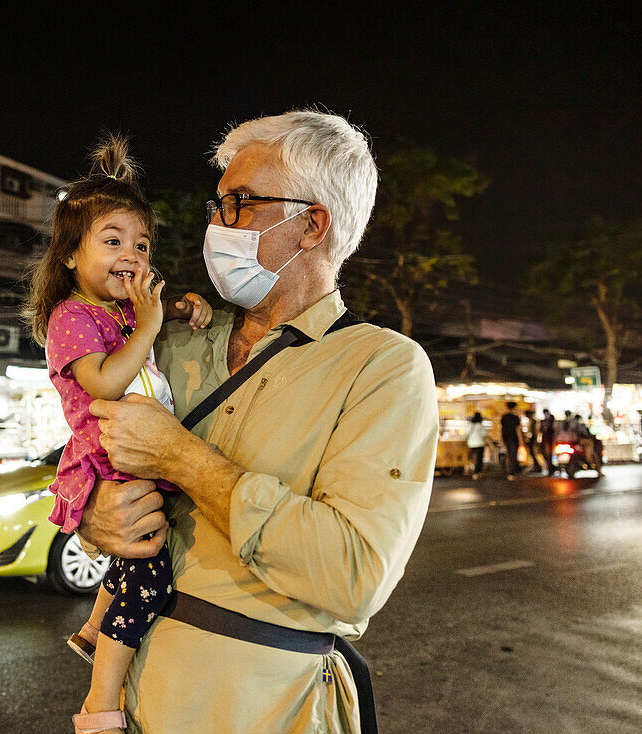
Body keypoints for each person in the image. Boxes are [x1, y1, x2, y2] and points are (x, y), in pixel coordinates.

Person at [76, 111, 438, 733]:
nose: (217, 223)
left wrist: (182, 459)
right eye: (217, 204)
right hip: (131, 704)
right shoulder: (171, 339)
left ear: (312, 225)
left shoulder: (383, 366)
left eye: (240, 202)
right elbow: (87, 451)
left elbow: (353, 575)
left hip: (268, 709)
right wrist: (93, 515)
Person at [22, 136, 212, 734]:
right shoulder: (71, 317)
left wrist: (183, 308)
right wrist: (151, 322)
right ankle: (100, 703)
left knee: (138, 559)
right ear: (71, 256)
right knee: (148, 576)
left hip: (139, 454)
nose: (131, 253)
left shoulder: (125, 312)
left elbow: (158, 319)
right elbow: (104, 383)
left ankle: (87, 630)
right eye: (112, 241)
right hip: (110, 459)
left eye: (141, 244)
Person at [500, 402, 523, 480]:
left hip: (506, 438)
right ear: (514, 408)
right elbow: (518, 430)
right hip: (514, 438)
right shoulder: (515, 418)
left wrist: (502, 439)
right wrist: (521, 441)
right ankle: (512, 472)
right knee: (513, 455)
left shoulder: (504, 417)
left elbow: (502, 429)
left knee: (509, 454)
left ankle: (512, 470)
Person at [466, 411, 488, 480]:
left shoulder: (472, 425)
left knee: (474, 458)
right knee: (479, 458)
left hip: (471, 443)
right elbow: (485, 436)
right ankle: (477, 472)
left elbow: (467, 434)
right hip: (479, 443)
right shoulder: (481, 426)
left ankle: (476, 472)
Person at [524, 409, 545, 474]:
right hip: (532, 439)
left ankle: (538, 466)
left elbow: (535, 431)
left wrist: (536, 439)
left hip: (533, 439)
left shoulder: (533, 421)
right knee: (532, 453)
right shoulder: (531, 421)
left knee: (533, 453)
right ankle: (536, 466)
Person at [540, 409, 557, 475]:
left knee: (548, 454)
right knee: (546, 454)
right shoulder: (543, 421)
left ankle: (551, 469)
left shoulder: (550, 421)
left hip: (549, 440)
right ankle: (551, 468)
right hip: (546, 440)